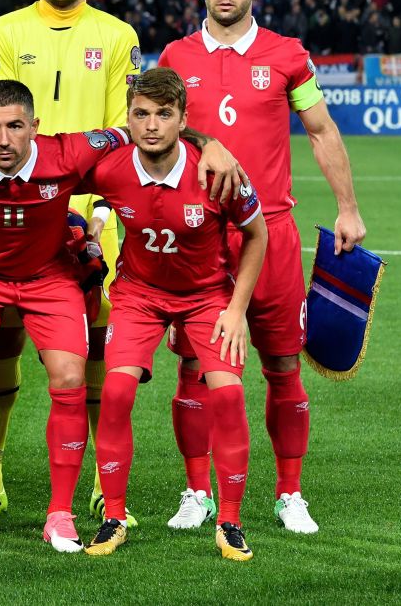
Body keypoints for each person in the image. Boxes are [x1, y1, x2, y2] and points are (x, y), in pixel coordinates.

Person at [0, 79, 240, 551]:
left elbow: (145, 129)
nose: (3, 139)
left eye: (14, 126)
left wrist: (210, 143)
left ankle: (61, 515)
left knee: (70, 378)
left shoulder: (70, 152)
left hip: (50, 277)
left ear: (35, 127)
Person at [158, 0, 366, 534]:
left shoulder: (287, 57)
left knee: (282, 365)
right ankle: (197, 490)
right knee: (196, 368)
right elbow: (151, 131)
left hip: (271, 231)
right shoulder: (175, 56)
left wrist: (348, 209)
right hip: (199, 235)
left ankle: (289, 492)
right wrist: (203, 144)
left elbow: (321, 130)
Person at [0, 0, 142, 527]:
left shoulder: (118, 37)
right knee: (4, 335)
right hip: (19, 211)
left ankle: (98, 482)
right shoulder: (3, 31)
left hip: (98, 218)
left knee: (96, 347)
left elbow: (125, 132)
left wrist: (99, 213)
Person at [79, 68, 266, 561]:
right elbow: (58, 181)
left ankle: (229, 520)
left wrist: (237, 309)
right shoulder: (110, 170)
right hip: (139, 294)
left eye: (164, 114)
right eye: (141, 114)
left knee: (227, 395)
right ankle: (113, 517)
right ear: (128, 117)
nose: (152, 125)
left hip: (207, 296)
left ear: (183, 119)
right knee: (115, 391)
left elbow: (257, 235)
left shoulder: (218, 172)